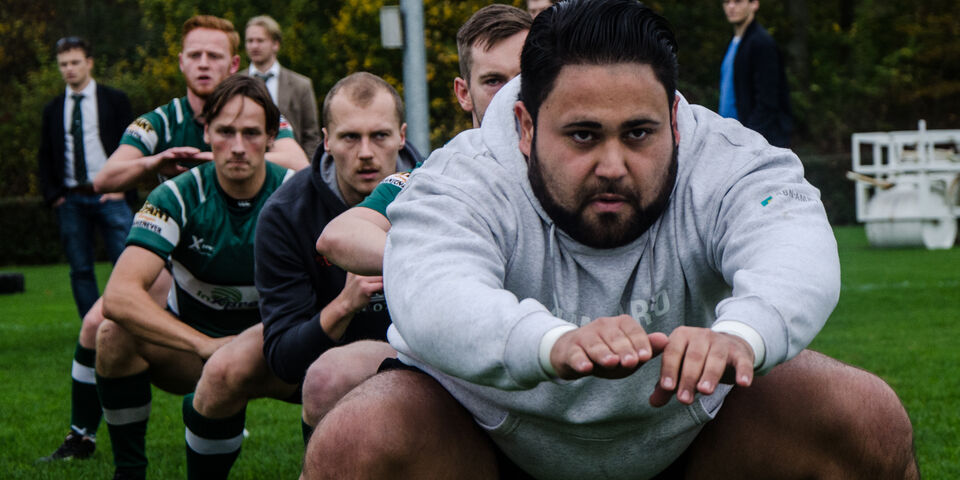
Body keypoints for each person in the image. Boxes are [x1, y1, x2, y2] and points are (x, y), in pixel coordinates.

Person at [303, 1, 919, 479]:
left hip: (687, 433)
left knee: (866, 416)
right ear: (525, 126)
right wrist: (550, 341)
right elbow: (433, 287)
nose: (613, 164)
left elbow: (793, 239)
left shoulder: (726, 157)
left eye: (640, 133)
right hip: (488, 437)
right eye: (582, 135)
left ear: (675, 120)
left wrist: (740, 334)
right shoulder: (467, 171)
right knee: (357, 440)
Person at [42, 14, 308, 464]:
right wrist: (157, 162)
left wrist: (219, 158)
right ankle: (84, 436)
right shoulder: (160, 122)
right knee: (103, 325)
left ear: (233, 62)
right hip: (177, 249)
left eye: (214, 56)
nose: (204, 64)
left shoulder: (261, 117)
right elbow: (106, 176)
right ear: (181, 61)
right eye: (195, 55)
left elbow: (299, 165)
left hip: (258, 290)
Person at [181, 71, 420, 478]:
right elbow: (285, 360)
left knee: (332, 378)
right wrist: (343, 306)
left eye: (379, 136)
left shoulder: (440, 188)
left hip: (416, 349)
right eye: (349, 137)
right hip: (321, 344)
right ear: (325, 140)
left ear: (401, 135)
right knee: (224, 368)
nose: (365, 153)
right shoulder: (285, 212)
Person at [95, 75, 293, 480]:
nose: (238, 146)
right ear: (206, 132)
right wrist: (205, 345)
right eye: (225, 132)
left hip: (277, 356)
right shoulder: (176, 196)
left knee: (341, 364)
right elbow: (119, 295)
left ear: (272, 136)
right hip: (196, 354)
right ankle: (128, 473)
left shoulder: (297, 195)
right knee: (112, 335)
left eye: (252, 133)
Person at [316, 4, 531, 275]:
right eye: (493, 81)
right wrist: (442, 268)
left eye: (524, 77)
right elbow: (338, 236)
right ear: (463, 93)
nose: (511, 93)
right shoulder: (435, 176)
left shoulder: (576, 161)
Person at [37, 36, 135, 461]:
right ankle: (90, 334)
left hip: (110, 197)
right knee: (79, 270)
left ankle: (127, 323)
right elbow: (45, 155)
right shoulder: (52, 108)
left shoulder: (115, 100)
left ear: (90, 62)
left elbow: (134, 150)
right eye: (62, 64)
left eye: (75, 62)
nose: (68, 70)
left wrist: (124, 190)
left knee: (129, 264)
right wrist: (54, 195)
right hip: (71, 198)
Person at [243, 15, 321, 158]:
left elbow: (311, 135)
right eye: (250, 41)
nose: (254, 46)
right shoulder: (234, 83)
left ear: (276, 44)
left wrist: (306, 172)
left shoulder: (301, 85)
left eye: (260, 41)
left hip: (292, 166)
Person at [718, 0, 792, 147]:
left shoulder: (762, 43)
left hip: (754, 144)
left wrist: (747, 140)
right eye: (727, 2)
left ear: (754, 4)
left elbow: (767, 103)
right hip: (731, 141)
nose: (731, 6)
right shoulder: (734, 43)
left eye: (738, 1)